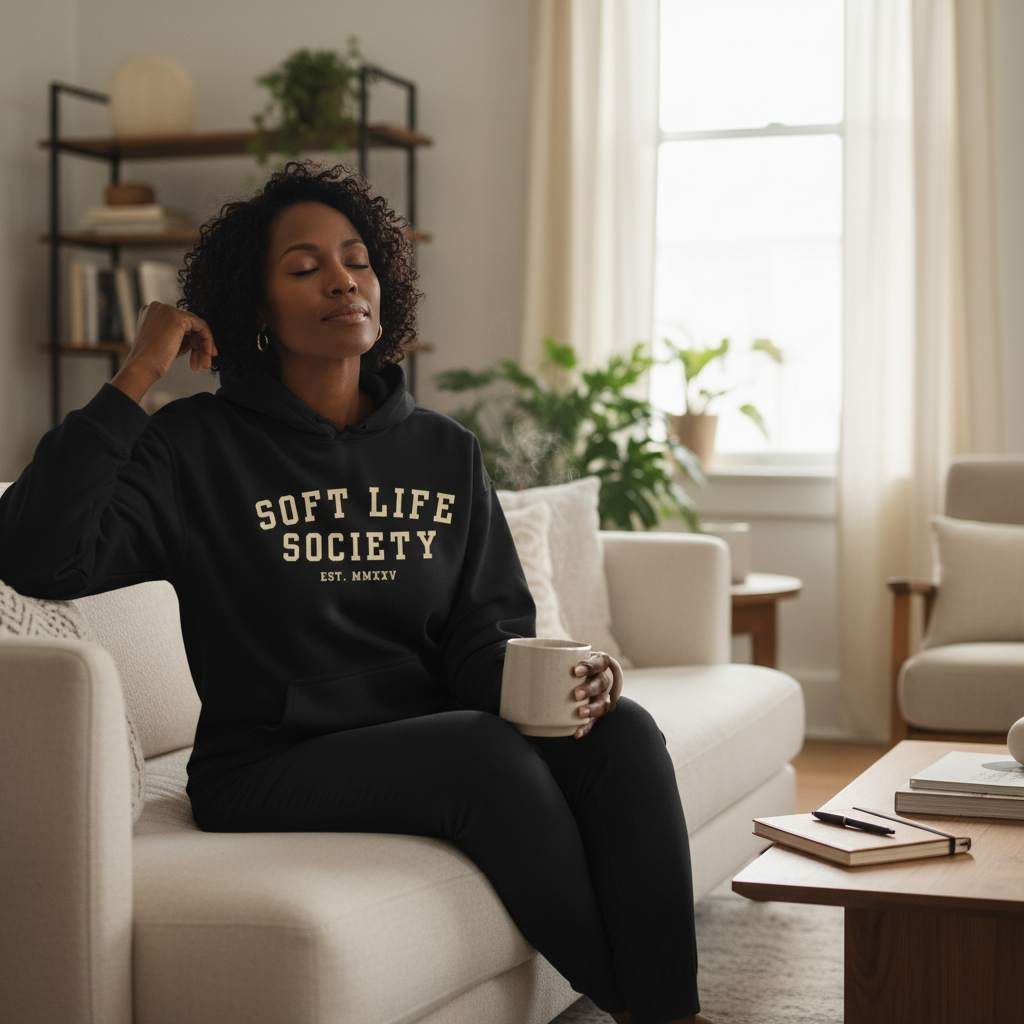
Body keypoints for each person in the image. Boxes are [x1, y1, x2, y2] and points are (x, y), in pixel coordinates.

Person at [0, 162, 712, 1024]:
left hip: (422, 732)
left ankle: (667, 1009)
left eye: (358, 260)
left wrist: (563, 682)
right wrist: (137, 375)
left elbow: (484, 636)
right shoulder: (192, 448)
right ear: (254, 309)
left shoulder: (445, 452)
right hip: (266, 763)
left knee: (625, 734)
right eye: (305, 268)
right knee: (484, 759)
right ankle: (652, 1011)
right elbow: (39, 557)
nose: (343, 279)